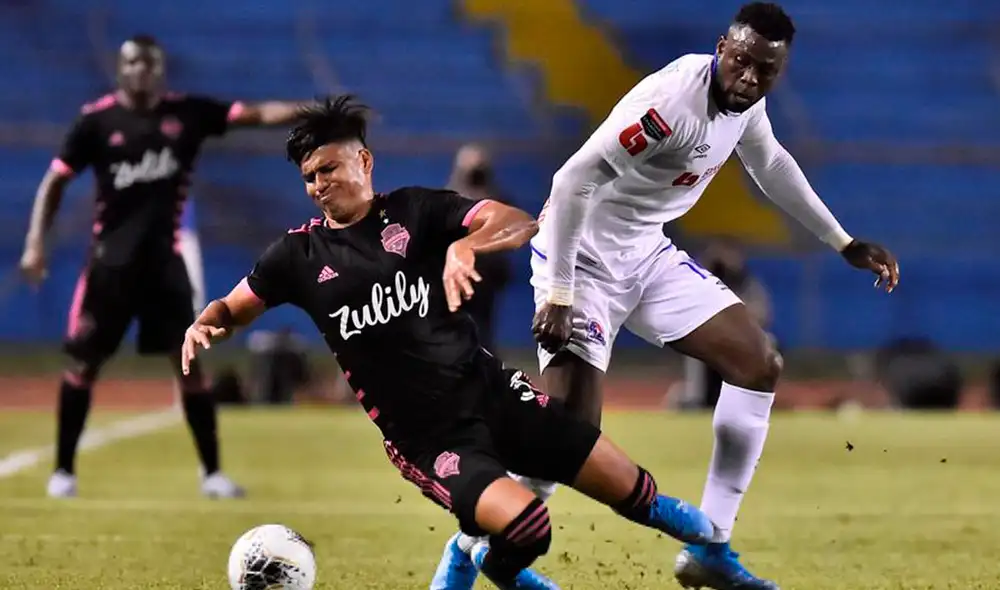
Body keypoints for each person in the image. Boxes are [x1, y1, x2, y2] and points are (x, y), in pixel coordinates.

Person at [434, 3, 900, 589]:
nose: (751, 80)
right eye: (742, 63)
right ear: (721, 50)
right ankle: (470, 541)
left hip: (645, 253)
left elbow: (771, 164)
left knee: (759, 362)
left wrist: (843, 242)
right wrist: (558, 291)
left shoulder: (746, 102)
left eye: (766, 71)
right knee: (566, 439)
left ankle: (710, 548)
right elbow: (571, 181)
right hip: (580, 260)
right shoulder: (669, 105)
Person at [181, 96, 721, 590]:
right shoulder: (296, 256)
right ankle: (489, 561)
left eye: (329, 168)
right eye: (309, 177)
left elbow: (515, 222)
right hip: (428, 436)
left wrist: (467, 247)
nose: (319, 184)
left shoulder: (416, 210)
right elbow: (234, 306)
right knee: (531, 528)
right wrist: (206, 321)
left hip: (490, 390)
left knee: (635, 492)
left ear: (364, 162)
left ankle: (721, 554)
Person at [19, 34, 309, 499]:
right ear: (120, 67)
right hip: (108, 268)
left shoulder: (186, 114)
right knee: (82, 365)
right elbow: (55, 180)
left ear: (160, 69)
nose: (141, 70)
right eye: (133, 61)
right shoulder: (96, 121)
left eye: (150, 63)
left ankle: (212, 475)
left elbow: (252, 114)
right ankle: (63, 471)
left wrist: (311, 111)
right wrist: (36, 243)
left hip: (165, 269)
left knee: (191, 366)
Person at [446, 143, 513, 352]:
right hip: (459, 273)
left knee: (483, 331)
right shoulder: (450, 200)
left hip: (485, 275)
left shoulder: (497, 201)